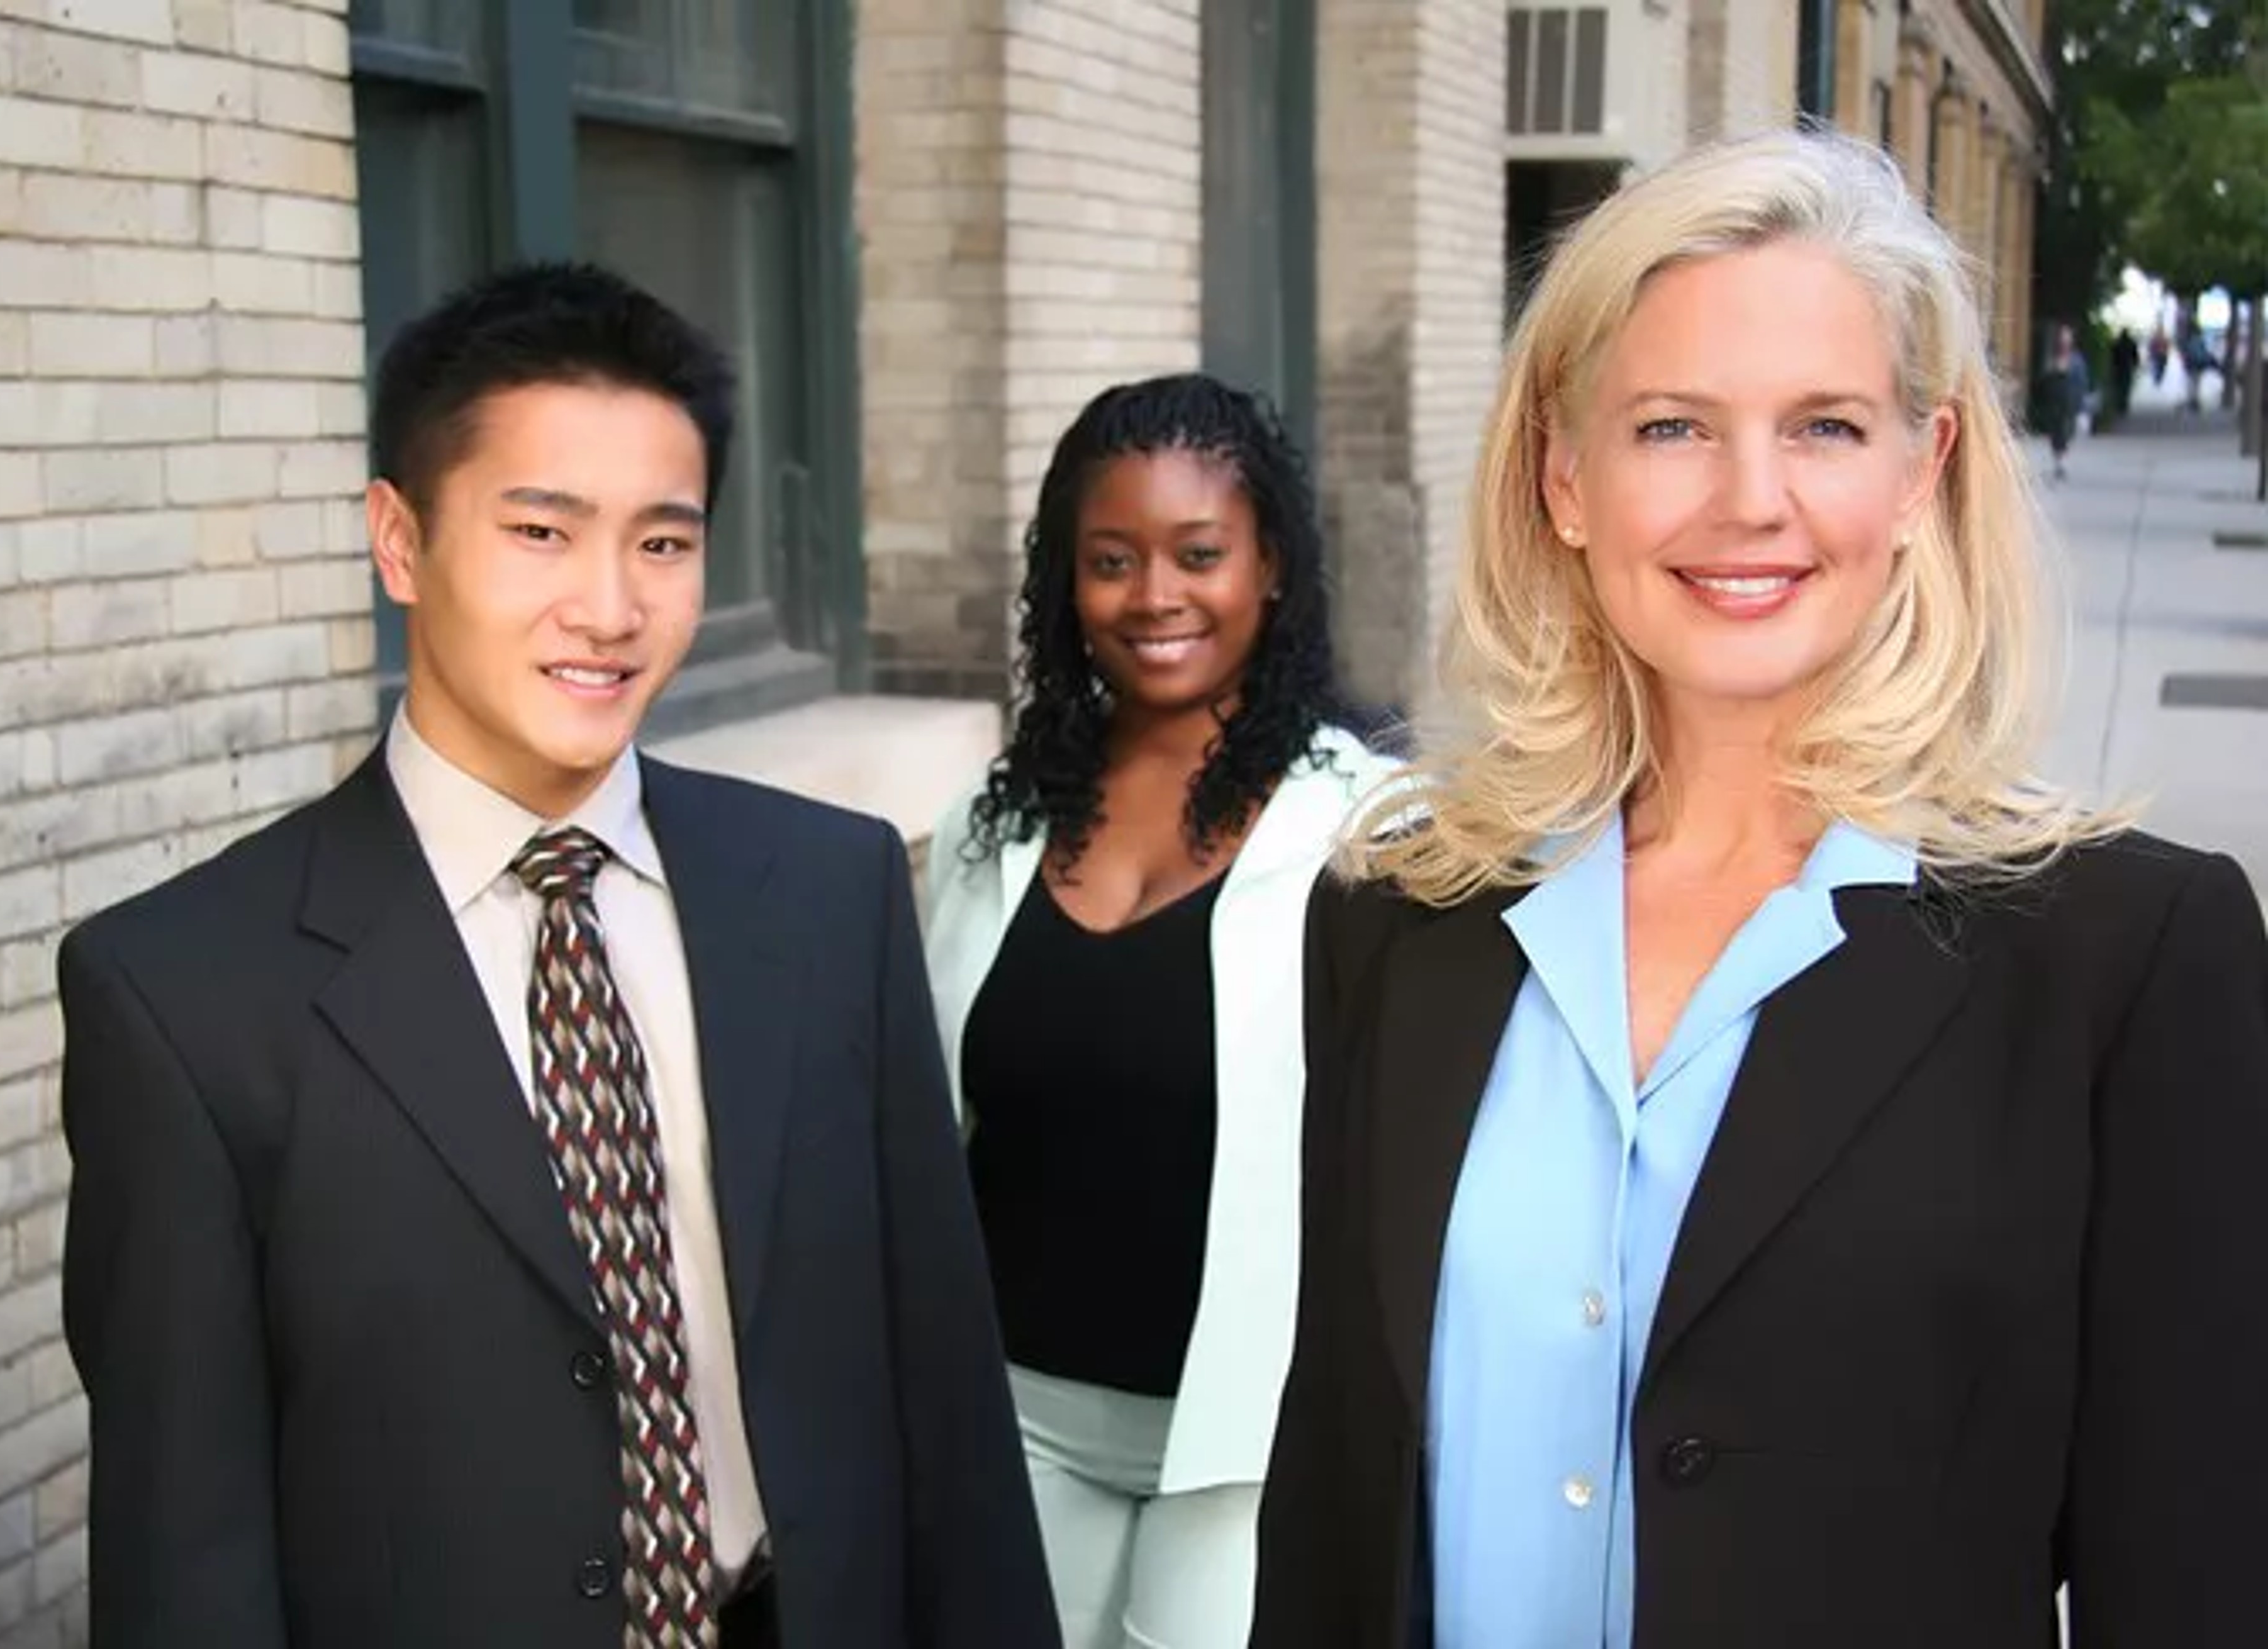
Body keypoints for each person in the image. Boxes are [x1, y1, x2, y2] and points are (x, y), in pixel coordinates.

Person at [1253, 131, 2268, 1649]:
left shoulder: (2124, 957)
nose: (1749, 500)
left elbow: (2186, 1570)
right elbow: (1332, 1504)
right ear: (1562, 477)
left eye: (1823, 427)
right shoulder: (1398, 918)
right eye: (1669, 427)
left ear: (1921, 473)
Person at [58, 263, 1060, 1649]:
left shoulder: (831, 897)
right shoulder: (182, 994)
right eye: (542, 529)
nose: (610, 607)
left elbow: (942, 1395)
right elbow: (188, 1548)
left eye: (663, 542)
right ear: (399, 542)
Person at [923, 374, 1396, 1649]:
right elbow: (927, 1112)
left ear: (1273, 566)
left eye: (1200, 553)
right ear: (1064, 584)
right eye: (1111, 560)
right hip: (1012, 1417)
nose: (1155, 596)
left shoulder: (1375, 830)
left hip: (1248, 1433)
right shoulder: (992, 823)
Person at [2038, 323, 2089, 480]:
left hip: (2070, 403)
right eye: (2062, 338)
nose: (2064, 342)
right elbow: (2044, 380)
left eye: (2067, 338)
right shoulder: (2053, 359)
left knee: (2066, 433)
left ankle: (2062, 462)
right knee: (2056, 434)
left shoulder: (2077, 360)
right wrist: (2055, 370)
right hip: (2055, 403)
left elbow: (2083, 383)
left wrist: (2082, 405)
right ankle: (2058, 462)